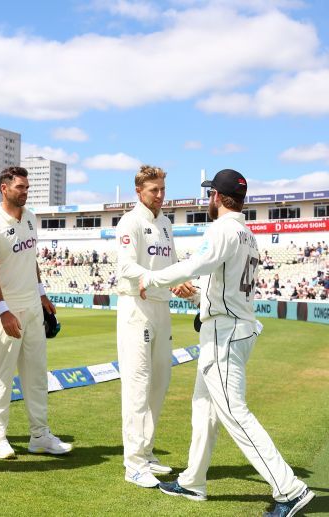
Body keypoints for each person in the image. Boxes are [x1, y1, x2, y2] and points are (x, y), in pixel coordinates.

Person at [139, 169, 314, 516]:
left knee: (234, 412)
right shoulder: (247, 233)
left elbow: (198, 264)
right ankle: (192, 482)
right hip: (233, 326)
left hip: (224, 332)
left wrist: (153, 277)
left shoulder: (223, 228)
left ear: (217, 197)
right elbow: (219, 285)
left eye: (210, 195)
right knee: (203, 408)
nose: (208, 200)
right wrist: (193, 295)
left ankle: (290, 490)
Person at [0, 166, 71, 459]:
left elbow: (31, 259)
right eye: (20, 187)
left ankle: (40, 436)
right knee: (1, 376)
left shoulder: (30, 218)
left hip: (33, 307)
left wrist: (42, 293)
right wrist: (4, 311)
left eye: (27, 187)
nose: (25, 191)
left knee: (35, 375)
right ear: (4, 189)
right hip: (7, 311)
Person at [115, 165, 194, 487]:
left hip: (162, 306)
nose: (160, 196)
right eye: (154, 191)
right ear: (139, 191)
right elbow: (125, 265)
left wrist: (183, 283)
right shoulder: (130, 222)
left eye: (162, 189)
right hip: (137, 306)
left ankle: (146, 452)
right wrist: (152, 278)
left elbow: (172, 263)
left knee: (160, 382)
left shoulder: (164, 223)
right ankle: (133, 464)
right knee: (138, 384)